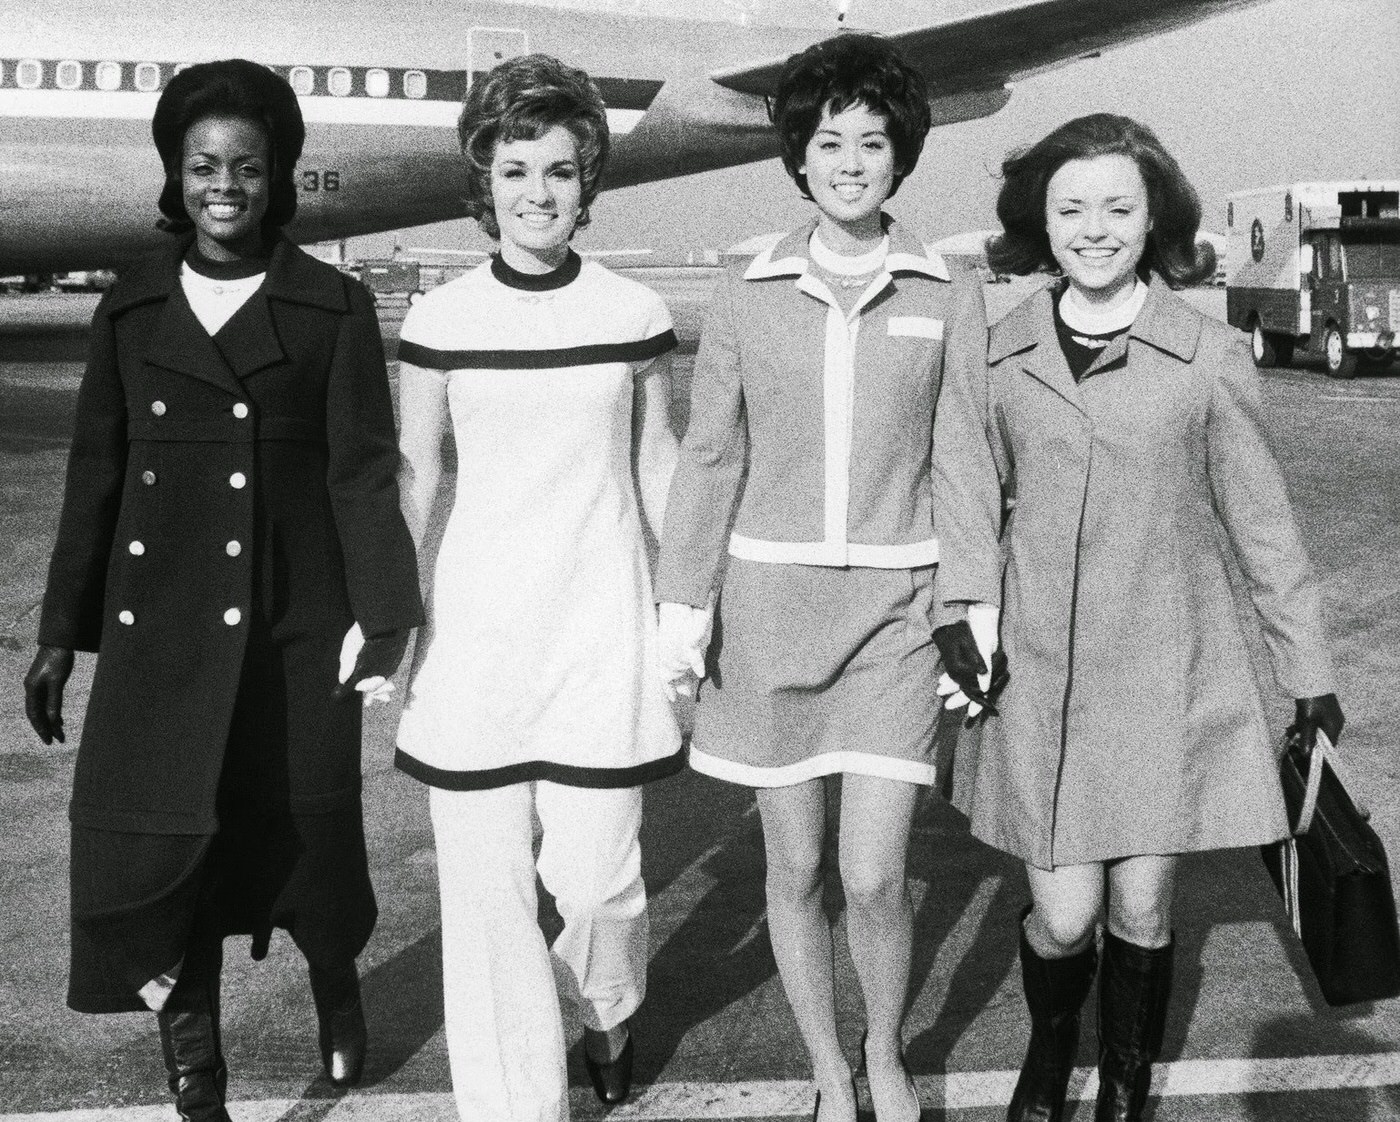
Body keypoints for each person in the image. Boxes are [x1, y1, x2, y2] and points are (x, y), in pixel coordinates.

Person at [21, 59, 422, 1119]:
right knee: (160, 848)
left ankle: (334, 977)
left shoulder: (330, 308)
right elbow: (97, 473)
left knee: (310, 841)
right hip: (163, 643)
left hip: (293, 634)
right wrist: (60, 632)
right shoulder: (132, 308)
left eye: (247, 166)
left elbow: (361, 473)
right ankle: (195, 1068)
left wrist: (386, 615)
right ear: (174, 173)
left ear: (278, 174)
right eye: (202, 165)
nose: (224, 186)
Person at [930, 113, 1345, 1122]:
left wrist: (1308, 672)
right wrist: (961, 608)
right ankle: (1048, 1045)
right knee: (1064, 916)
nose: (1094, 228)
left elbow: (1260, 524)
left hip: (1166, 666)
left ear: (1152, 214)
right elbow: (964, 485)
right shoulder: (995, 344)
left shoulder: (1204, 355)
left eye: (1117, 206)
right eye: (1070, 208)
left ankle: (1122, 1080)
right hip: (1035, 671)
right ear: (1041, 217)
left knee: (1142, 905)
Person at [655, 34, 984, 1122]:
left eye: (872, 142)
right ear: (796, 155)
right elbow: (711, 457)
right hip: (765, 616)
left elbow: (965, 462)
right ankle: (829, 1075)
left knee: (875, 875)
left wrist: (968, 606)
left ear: (902, 157)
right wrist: (680, 608)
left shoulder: (949, 289)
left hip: (893, 619)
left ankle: (883, 1051)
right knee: (793, 872)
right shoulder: (745, 285)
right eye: (827, 140)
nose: (849, 160)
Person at [392, 54, 684, 1122]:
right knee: (486, 908)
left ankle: (607, 1010)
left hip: (602, 640)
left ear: (586, 181)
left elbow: (660, 464)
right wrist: (384, 619)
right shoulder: (442, 319)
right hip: (474, 647)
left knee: (599, 886)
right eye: (514, 169)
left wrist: (691, 606)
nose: (536, 193)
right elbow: (412, 475)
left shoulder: (633, 308)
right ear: (483, 180)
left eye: (558, 171)